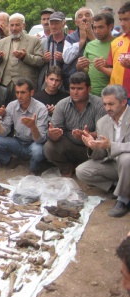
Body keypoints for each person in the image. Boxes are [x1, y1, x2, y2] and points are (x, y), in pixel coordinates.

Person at [76, 85, 130, 217]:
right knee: (82, 171)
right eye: (105, 104)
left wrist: (111, 145)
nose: (107, 108)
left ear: (123, 102)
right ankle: (118, 187)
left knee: (126, 158)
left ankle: (123, 199)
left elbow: (112, 147)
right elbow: (102, 155)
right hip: (114, 165)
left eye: (111, 104)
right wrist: (93, 146)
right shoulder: (102, 122)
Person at [43, 72, 105, 177]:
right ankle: (67, 168)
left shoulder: (99, 104)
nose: (75, 92)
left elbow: (103, 134)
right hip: (70, 145)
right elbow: (54, 132)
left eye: (80, 89)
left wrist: (87, 135)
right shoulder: (62, 105)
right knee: (49, 147)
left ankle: (89, 170)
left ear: (89, 89)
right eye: (72, 88)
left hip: (91, 147)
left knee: (102, 148)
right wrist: (52, 134)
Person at [0, 78, 48, 174]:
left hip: (34, 143)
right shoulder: (12, 105)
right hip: (18, 141)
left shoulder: (41, 109)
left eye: (23, 92)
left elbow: (40, 140)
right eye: (17, 93)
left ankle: (34, 167)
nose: (19, 96)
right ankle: (10, 160)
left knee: (38, 152)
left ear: (31, 93)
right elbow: (4, 133)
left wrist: (33, 127)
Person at [0, 13, 44, 97]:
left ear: (24, 25)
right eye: (12, 25)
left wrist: (25, 56)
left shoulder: (34, 40)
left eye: (17, 25)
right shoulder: (1, 42)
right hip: (5, 83)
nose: (14, 28)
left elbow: (40, 61)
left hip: (25, 84)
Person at [76, 13, 114, 96]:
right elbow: (87, 69)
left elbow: (122, 72)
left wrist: (104, 68)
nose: (97, 31)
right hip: (91, 94)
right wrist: (80, 66)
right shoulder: (90, 45)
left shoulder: (118, 44)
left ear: (110, 26)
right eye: (94, 27)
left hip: (112, 95)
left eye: (100, 27)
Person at [62, 7, 95, 90]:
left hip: (95, 79)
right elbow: (66, 59)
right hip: (75, 80)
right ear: (76, 22)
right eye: (80, 16)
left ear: (93, 19)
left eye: (87, 15)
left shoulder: (99, 34)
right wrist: (82, 41)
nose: (84, 18)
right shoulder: (70, 37)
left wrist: (93, 38)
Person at [106, 2, 130, 103]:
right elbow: (113, 70)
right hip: (119, 98)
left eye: (126, 19)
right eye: (120, 19)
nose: (122, 24)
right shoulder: (116, 42)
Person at [38, 11, 67, 90]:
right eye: (51, 23)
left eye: (57, 23)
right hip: (47, 83)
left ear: (63, 23)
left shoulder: (69, 42)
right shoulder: (44, 42)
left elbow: (74, 65)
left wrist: (64, 59)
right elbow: (37, 63)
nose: (53, 27)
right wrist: (44, 59)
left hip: (65, 83)